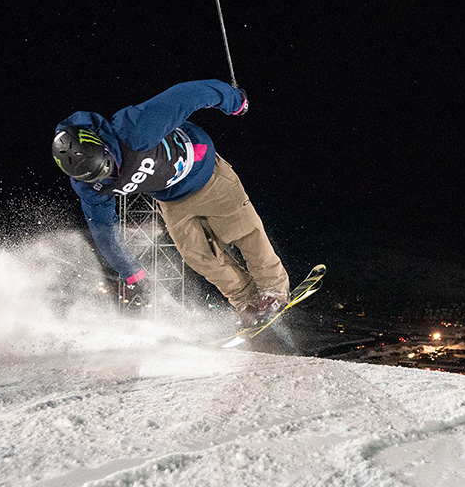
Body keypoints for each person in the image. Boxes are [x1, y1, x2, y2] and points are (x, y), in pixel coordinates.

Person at [53, 79, 289, 324]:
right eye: (99, 177)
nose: (109, 176)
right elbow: (104, 230)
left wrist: (233, 100)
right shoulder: (90, 189)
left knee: (243, 231)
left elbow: (188, 95)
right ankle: (244, 299)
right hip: (172, 200)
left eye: (107, 166)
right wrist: (130, 271)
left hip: (207, 175)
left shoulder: (133, 128)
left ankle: (273, 289)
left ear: (102, 146)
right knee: (197, 255)